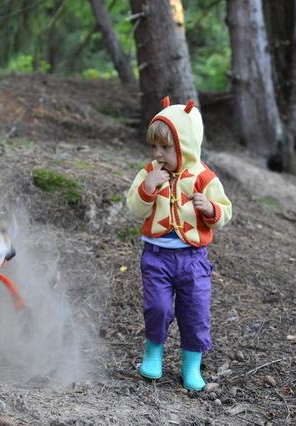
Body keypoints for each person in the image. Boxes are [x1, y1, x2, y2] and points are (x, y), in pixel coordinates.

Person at [126, 96, 232, 391]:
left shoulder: (204, 177)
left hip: (193, 259)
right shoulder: (149, 173)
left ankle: (191, 367)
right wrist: (148, 190)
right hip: (156, 256)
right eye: (154, 147)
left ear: (185, 143)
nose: (158, 154)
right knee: (158, 307)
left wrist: (211, 210)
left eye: (166, 147)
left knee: (195, 312)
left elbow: (226, 211)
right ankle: (153, 355)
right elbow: (134, 208)